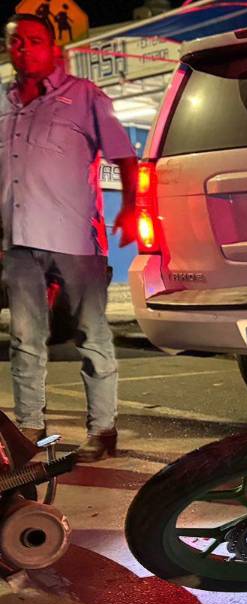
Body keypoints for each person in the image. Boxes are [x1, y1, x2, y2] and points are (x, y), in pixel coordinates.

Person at [0, 14, 138, 462]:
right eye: (16, 41)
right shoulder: (2, 102)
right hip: (19, 242)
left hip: (76, 239)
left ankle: (103, 429)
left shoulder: (85, 97)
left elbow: (124, 155)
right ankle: (30, 428)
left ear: (54, 48)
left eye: (34, 40)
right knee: (24, 339)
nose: (24, 48)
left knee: (91, 335)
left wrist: (131, 207)